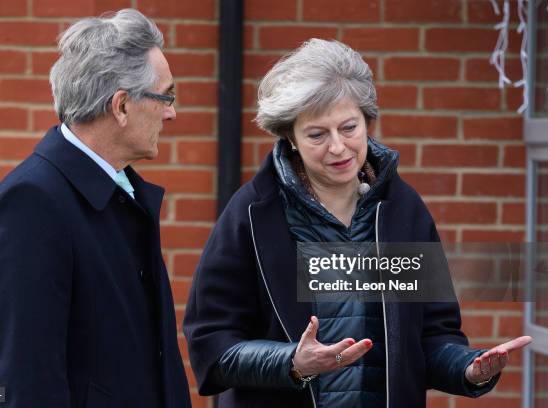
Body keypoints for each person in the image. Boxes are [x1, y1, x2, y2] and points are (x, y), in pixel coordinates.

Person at [183, 39, 532, 408]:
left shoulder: (402, 212)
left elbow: (431, 337)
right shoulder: (253, 214)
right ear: (291, 137)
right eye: (317, 134)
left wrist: (468, 369)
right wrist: (293, 363)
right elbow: (211, 345)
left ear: (367, 121)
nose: (338, 147)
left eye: (349, 127)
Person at [0, 9, 190, 408]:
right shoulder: (31, 204)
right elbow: (25, 382)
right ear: (122, 106)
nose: (171, 112)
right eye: (165, 96)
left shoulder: (121, 189)